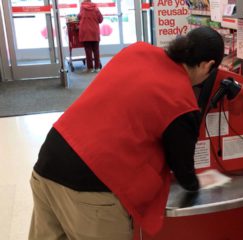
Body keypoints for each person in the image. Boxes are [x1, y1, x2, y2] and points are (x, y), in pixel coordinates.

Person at [29, 26, 224, 240]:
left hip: (49, 159)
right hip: (91, 186)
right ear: (208, 66)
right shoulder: (182, 102)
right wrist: (202, 183)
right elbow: (184, 171)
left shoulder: (138, 51)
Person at [78, 0, 103, 73]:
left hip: (85, 32)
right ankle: (97, 67)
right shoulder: (95, 8)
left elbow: (79, 17)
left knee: (88, 50)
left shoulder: (82, 7)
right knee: (96, 50)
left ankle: (90, 68)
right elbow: (100, 19)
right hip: (94, 31)